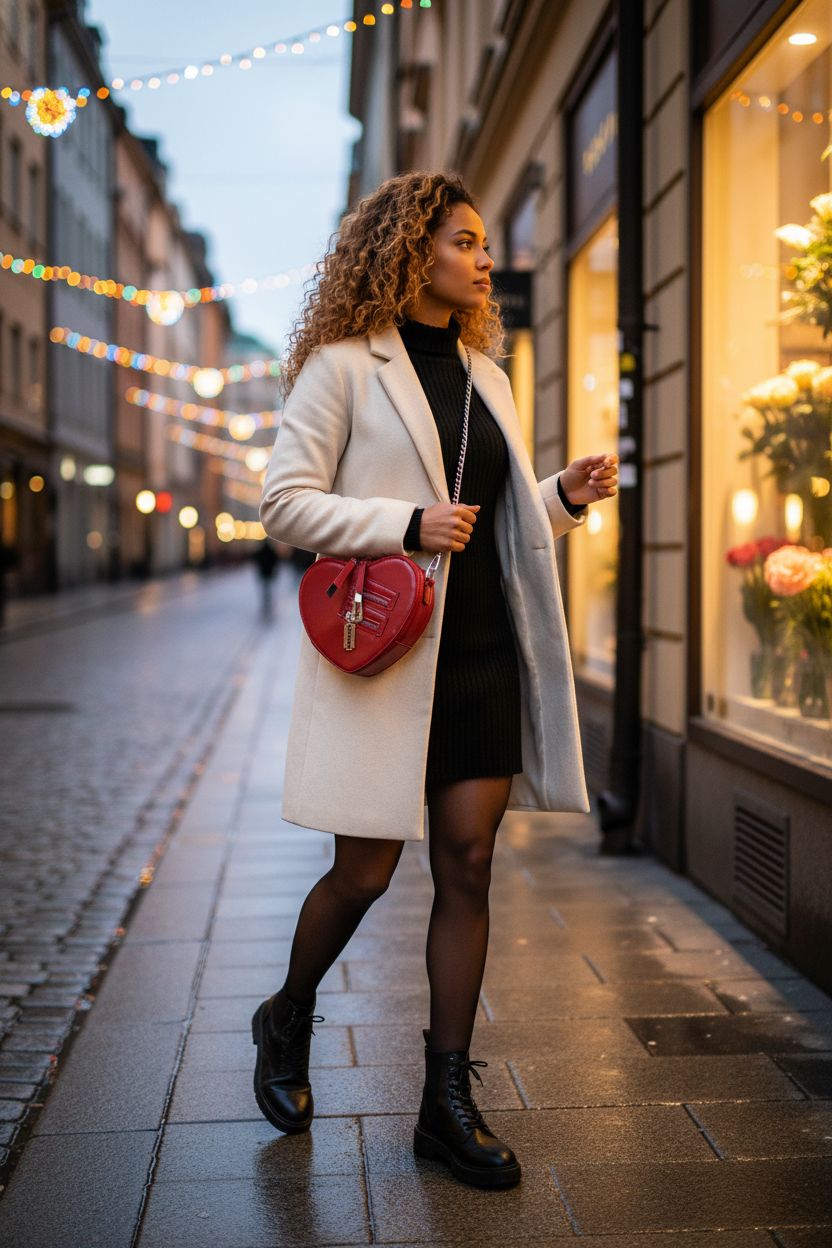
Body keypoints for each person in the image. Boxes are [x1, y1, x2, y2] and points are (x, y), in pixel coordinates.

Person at [255, 171, 618, 1189]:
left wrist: (559, 496)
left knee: (467, 868)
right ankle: (286, 1017)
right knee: (365, 872)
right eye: (465, 240)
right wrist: (399, 525)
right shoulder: (342, 368)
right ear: (412, 250)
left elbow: (488, 525)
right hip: (385, 654)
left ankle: (445, 1104)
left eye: (485, 243)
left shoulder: (485, 374)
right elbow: (284, 504)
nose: (484, 257)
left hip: (482, 653)